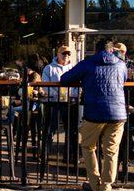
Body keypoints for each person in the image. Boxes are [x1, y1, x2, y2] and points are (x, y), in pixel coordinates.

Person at [60, 40, 127, 191]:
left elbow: (64, 79)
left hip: (94, 113)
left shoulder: (87, 63)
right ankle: (106, 186)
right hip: (118, 114)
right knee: (111, 151)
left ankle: (94, 184)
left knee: (88, 147)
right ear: (111, 50)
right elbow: (123, 80)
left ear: (95, 50)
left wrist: (83, 79)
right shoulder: (121, 64)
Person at [41, 45, 79, 163]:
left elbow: (78, 85)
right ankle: (45, 154)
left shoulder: (74, 68)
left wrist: (73, 94)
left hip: (70, 102)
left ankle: (69, 156)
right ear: (57, 54)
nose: (66, 56)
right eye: (64, 53)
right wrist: (58, 94)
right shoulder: (49, 68)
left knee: (71, 130)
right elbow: (45, 85)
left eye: (68, 54)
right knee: (50, 129)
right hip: (53, 102)